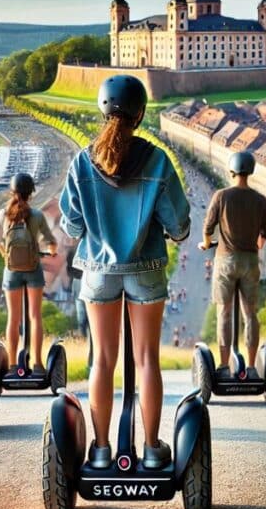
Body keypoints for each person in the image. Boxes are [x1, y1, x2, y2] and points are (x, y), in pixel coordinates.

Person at [60, 74, 189, 470]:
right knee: (148, 359)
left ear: (102, 109)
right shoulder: (157, 160)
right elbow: (180, 226)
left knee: (102, 360)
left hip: (98, 271)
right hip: (146, 269)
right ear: (141, 113)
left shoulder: (82, 161)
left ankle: (100, 451)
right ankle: (151, 450)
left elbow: (71, 227)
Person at [199, 151, 266, 379]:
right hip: (250, 260)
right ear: (250, 171)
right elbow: (263, 236)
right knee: (250, 315)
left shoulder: (221, 196)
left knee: (224, 312)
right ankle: (250, 366)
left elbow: (208, 228)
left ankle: (223, 365)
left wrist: (207, 243)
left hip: (226, 259)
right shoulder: (260, 200)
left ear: (231, 171)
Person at [0, 172, 58, 375]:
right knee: (35, 316)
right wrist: (51, 253)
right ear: (31, 194)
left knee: (13, 317)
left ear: (11, 191)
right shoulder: (37, 215)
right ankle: (37, 365)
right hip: (33, 269)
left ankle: (12, 365)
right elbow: (51, 241)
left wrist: (7, 256)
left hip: (11, 270)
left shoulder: (3, 214)